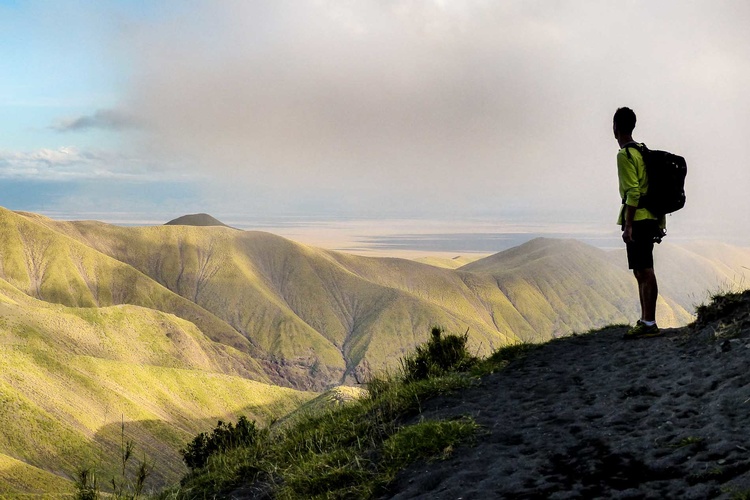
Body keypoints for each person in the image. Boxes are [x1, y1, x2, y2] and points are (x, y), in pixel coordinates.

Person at [613, 107, 666, 339]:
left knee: (644, 272)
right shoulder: (642, 151)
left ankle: (648, 323)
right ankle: (647, 320)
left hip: (640, 220)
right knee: (643, 271)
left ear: (615, 128)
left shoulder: (625, 155)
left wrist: (629, 224)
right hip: (651, 217)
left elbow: (633, 192)